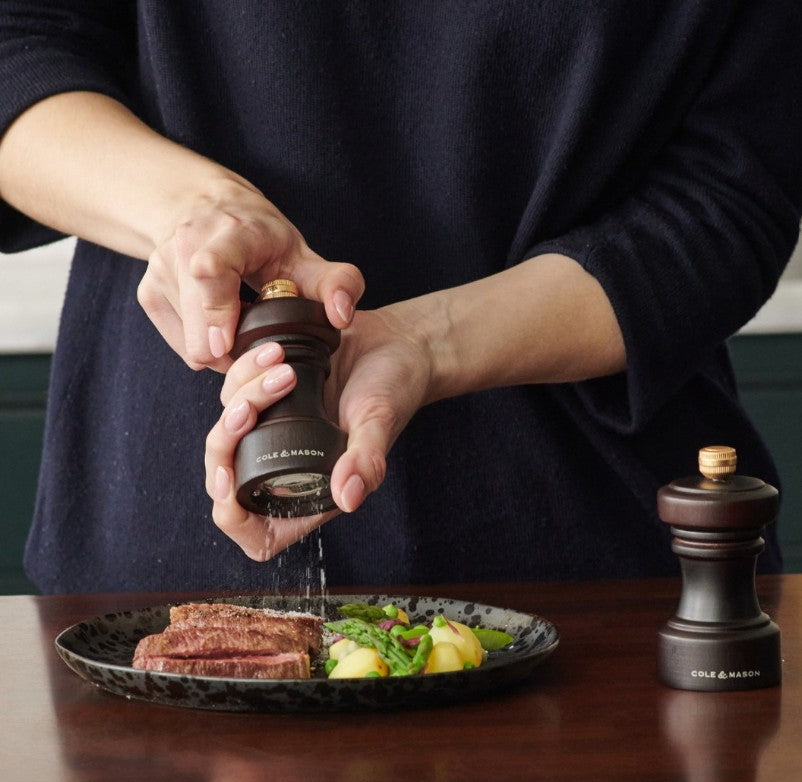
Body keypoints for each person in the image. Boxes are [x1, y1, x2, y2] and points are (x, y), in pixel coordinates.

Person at [0, 2, 800, 594]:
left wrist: (428, 343)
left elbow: (730, 193)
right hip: (161, 589)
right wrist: (196, 212)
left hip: (597, 586)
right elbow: (18, 46)